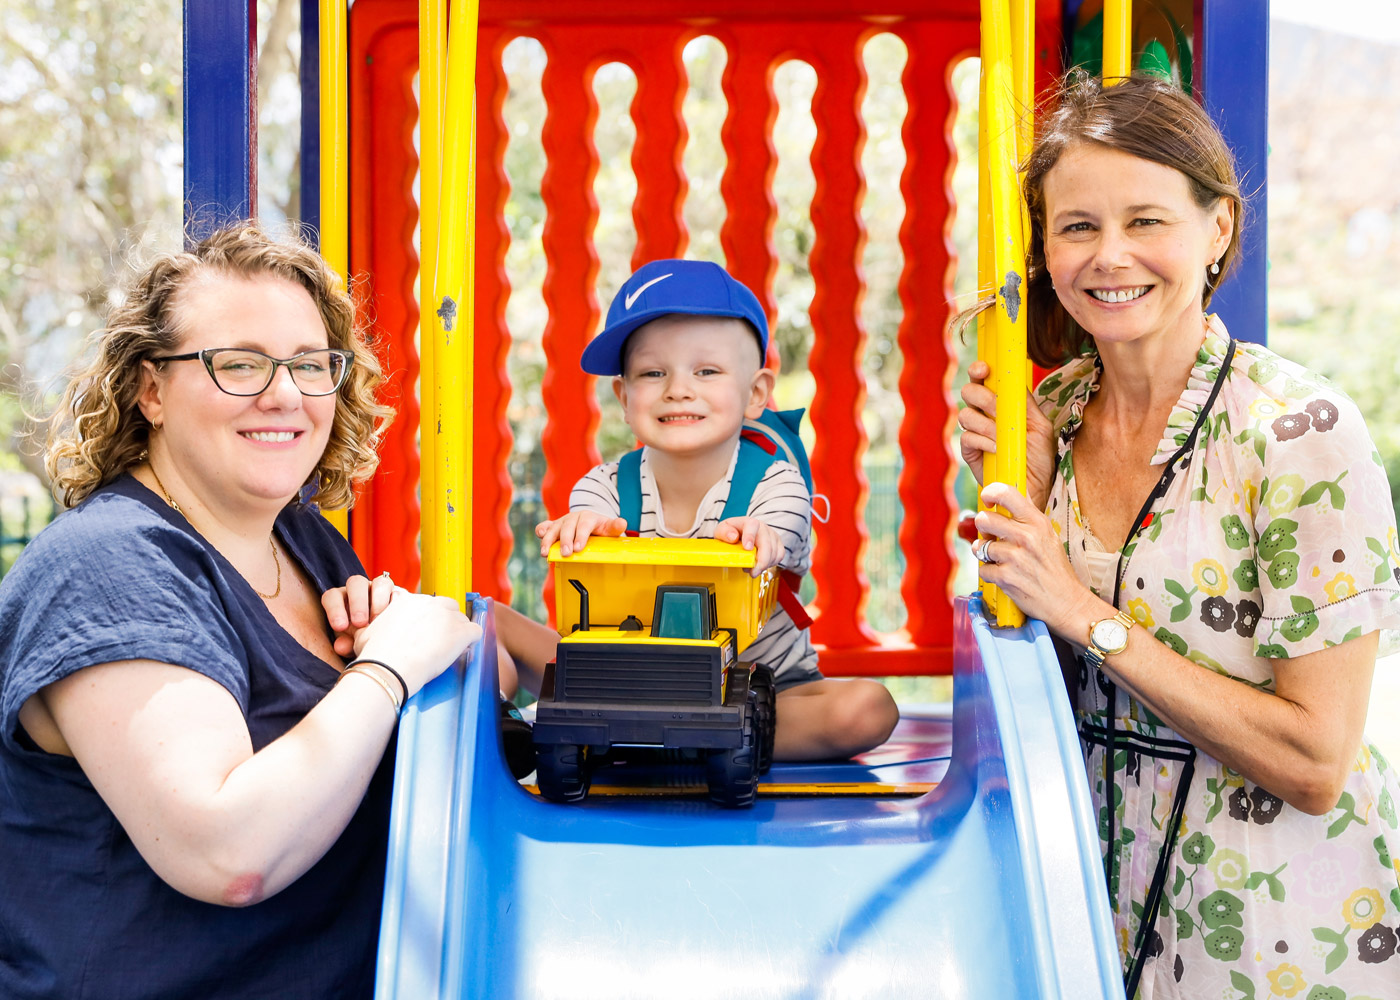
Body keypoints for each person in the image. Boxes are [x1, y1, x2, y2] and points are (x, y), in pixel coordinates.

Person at [958, 72, 1400, 998]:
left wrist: (1085, 614)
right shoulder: (1055, 412)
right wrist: (1027, 505)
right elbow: (1035, 678)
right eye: (1078, 226)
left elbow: (1317, 762)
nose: (1110, 255)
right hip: (1096, 906)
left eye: (1145, 220)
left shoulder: (1297, 432)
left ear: (1219, 230)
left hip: (1273, 935)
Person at [0, 223, 481, 1000]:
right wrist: (389, 669)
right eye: (240, 364)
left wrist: (416, 632)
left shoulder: (304, 542)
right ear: (150, 389)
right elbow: (227, 854)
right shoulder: (107, 567)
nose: (285, 393)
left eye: (308, 364)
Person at [532, 259, 899, 761]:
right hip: (636, 682)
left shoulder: (774, 483)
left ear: (755, 394)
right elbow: (586, 520)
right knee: (487, 627)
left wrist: (761, 534)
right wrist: (582, 529)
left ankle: (690, 740)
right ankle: (638, 732)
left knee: (868, 709)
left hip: (763, 690)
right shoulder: (606, 486)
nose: (678, 388)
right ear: (623, 396)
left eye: (706, 371)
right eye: (652, 372)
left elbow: (781, 530)